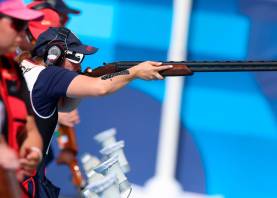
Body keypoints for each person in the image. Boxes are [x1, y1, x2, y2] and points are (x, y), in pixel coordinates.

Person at [19, 26, 172, 197]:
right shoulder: (49, 75)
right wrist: (135, 72)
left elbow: (65, 106)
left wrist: (84, 80)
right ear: (53, 55)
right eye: (75, 57)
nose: (79, 66)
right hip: (23, 183)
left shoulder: (21, 69)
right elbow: (101, 88)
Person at [0, 0, 44, 195]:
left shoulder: (12, 69)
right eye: (17, 24)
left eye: (24, 26)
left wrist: (33, 151)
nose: (22, 33)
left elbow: (30, 128)